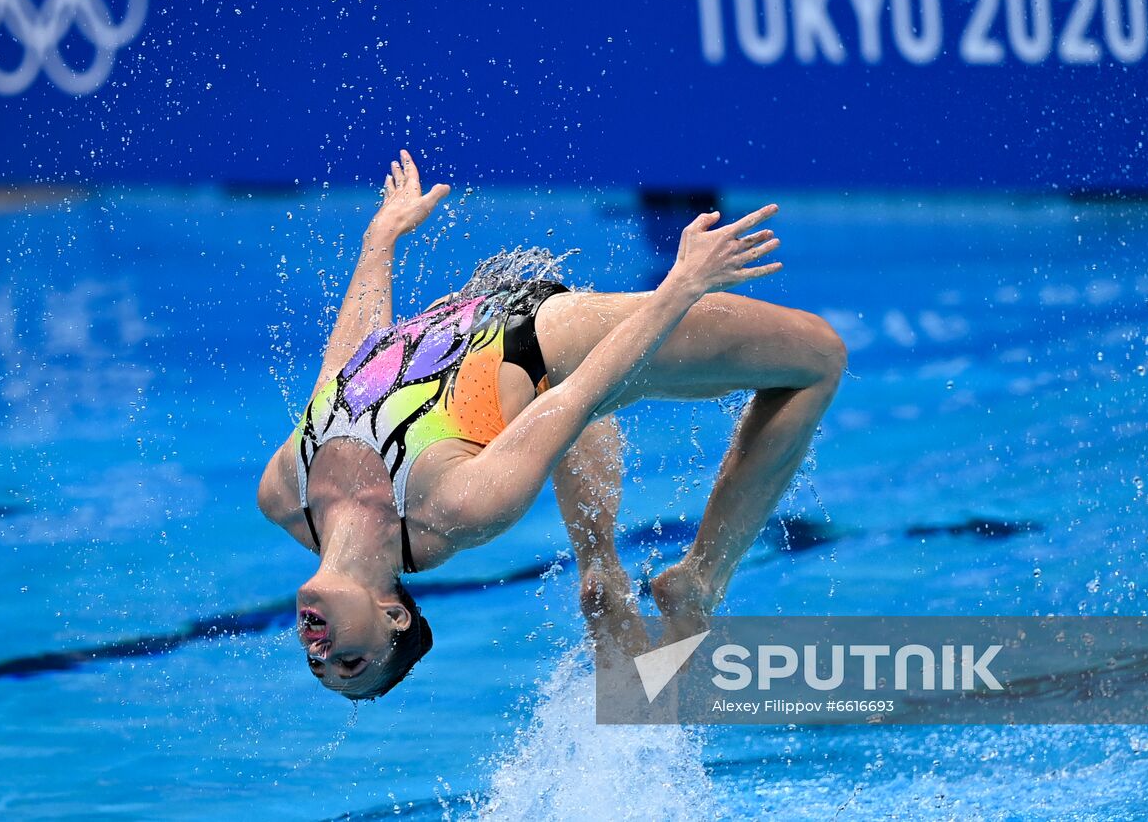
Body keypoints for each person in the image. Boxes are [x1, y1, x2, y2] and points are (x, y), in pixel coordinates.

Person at [257, 150, 846, 699]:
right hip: (546, 338)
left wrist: (380, 238)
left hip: (478, 314)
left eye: (319, 666)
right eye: (350, 665)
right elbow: (586, 386)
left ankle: (599, 569)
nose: (322, 656)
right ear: (394, 616)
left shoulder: (285, 495)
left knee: (553, 418)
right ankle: (699, 581)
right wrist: (679, 287)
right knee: (818, 356)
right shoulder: (453, 508)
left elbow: (350, 366)